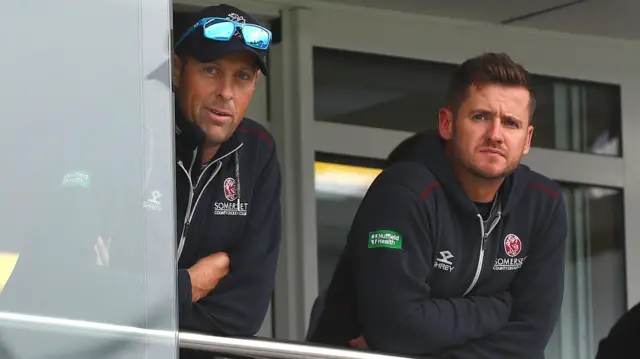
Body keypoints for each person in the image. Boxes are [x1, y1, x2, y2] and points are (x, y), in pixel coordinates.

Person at [308, 53, 568, 359]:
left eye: (510, 123)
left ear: (527, 139)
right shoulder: (403, 192)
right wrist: (499, 307)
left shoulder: (542, 204)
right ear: (447, 123)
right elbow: (397, 328)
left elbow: (530, 336)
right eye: (480, 117)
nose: (495, 135)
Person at [171, 3, 281, 357]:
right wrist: (189, 285)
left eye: (242, 77)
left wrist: (149, 305)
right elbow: (92, 288)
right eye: (211, 70)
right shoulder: (131, 137)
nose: (226, 92)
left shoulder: (258, 153)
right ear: (177, 71)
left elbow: (244, 315)